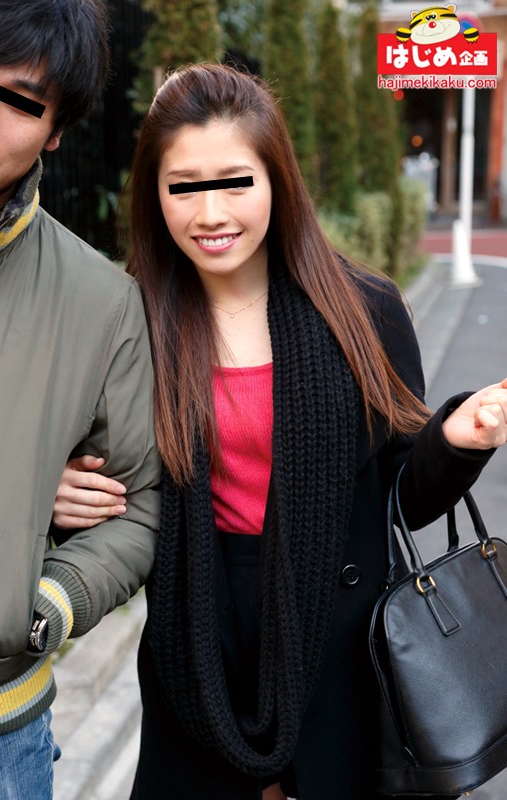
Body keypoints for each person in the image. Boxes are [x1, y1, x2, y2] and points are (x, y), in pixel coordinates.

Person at [53, 63, 507, 800]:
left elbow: (398, 499)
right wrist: (63, 493)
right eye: (183, 187)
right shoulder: (129, 323)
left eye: (236, 182)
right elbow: (103, 478)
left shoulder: (361, 309)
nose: (211, 213)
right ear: (153, 195)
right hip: (198, 643)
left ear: (277, 181)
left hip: (339, 644)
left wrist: (456, 442)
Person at [0, 2, 160, 798]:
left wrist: (47, 602)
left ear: (55, 131)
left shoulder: (101, 304)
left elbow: (139, 504)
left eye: (19, 101)